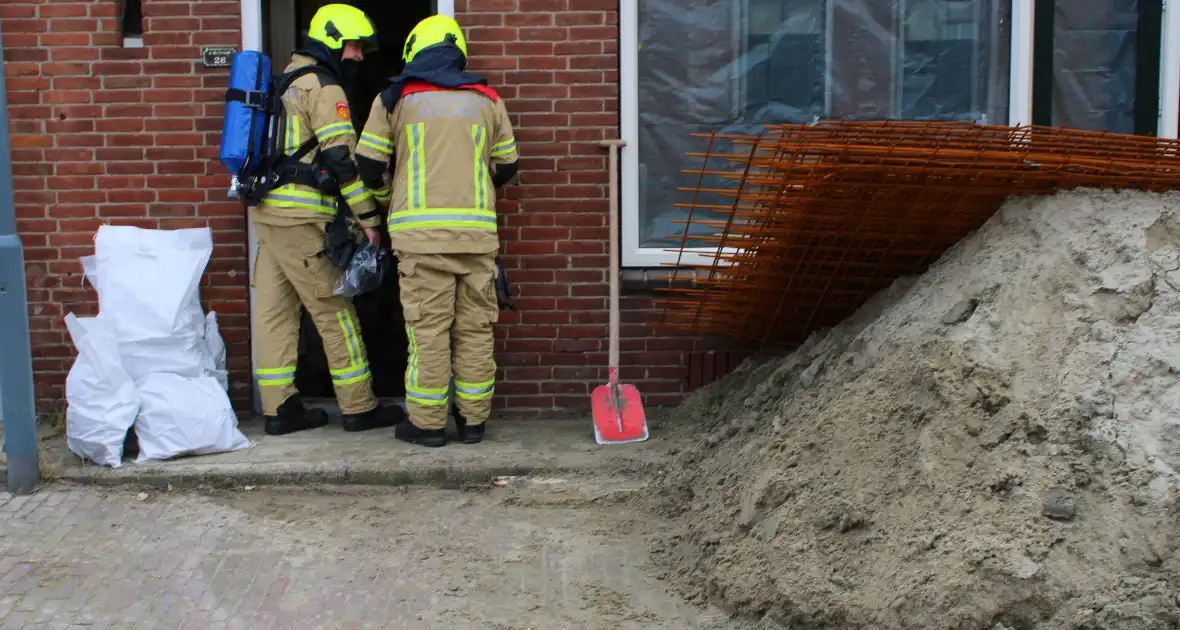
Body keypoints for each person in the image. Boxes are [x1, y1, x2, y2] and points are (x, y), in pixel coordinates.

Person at [355, 15, 519, 447]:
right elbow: (508, 167)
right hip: (477, 239)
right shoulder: (487, 99)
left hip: (421, 240)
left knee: (428, 333)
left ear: (414, 51)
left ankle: (427, 425)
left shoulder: (395, 98)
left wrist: (393, 198)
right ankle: (473, 424)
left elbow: (369, 165)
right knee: (475, 332)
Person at [250, 4, 403, 436]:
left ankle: (280, 408)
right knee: (334, 309)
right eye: (354, 45)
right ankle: (359, 406)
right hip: (303, 218)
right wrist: (370, 216)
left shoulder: (285, 80)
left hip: (269, 213)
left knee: (275, 313)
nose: (358, 56)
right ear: (335, 41)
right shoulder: (323, 86)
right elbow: (342, 160)